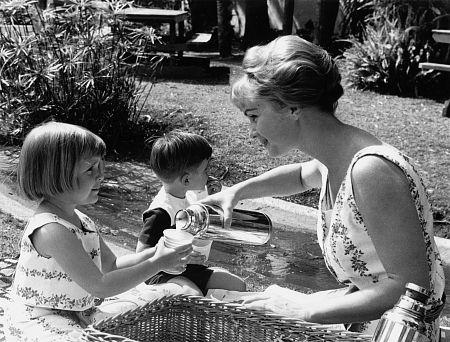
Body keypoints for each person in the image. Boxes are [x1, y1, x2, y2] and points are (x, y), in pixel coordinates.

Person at [199, 35, 445, 339]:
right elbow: (302, 175)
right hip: (364, 323)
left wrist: (301, 311)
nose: (251, 132)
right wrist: (236, 192)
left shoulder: (372, 172)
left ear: (292, 107)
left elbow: (408, 288)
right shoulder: (334, 158)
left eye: (253, 115)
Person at [4, 122, 193, 341]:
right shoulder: (51, 229)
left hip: (79, 315)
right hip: (40, 319)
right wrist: (158, 264)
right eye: (90, 169)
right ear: (56, 175)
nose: (101, 175)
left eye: (100, 167)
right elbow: (100, 286)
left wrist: (155, 253)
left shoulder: (81, 220)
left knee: (160, 301)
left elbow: (111, 266)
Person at [136, 130, 246, 296]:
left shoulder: (189, 194)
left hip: (189, 269)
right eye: (205, 170)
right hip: (163, 274)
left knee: (238, 285)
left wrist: (212, 197)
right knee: (192, 294)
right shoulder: (161, 211)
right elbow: (141, 256)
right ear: (186, 180)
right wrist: (175, 257)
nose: (209, 174)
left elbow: (205, 224)